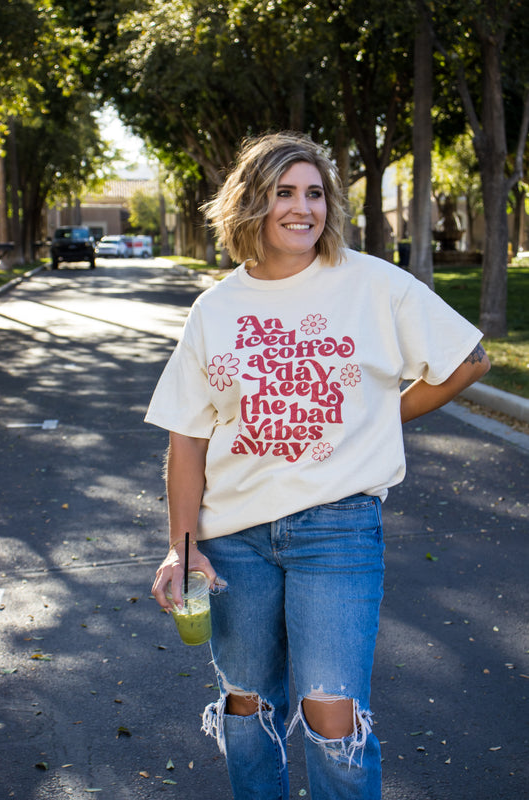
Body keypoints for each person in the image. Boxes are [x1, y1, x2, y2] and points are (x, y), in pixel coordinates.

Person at [146, 131, 490, 800]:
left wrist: (372, 418)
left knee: (330, 714)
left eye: (314, 193)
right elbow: (187, 439)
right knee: (246, 708)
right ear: (252, 202)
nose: (302, 208)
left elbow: (468, 359)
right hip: (233, 539)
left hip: (337, 529)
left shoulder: (371, 284)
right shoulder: (215, 309)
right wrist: (180, 548)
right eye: (283, 192)